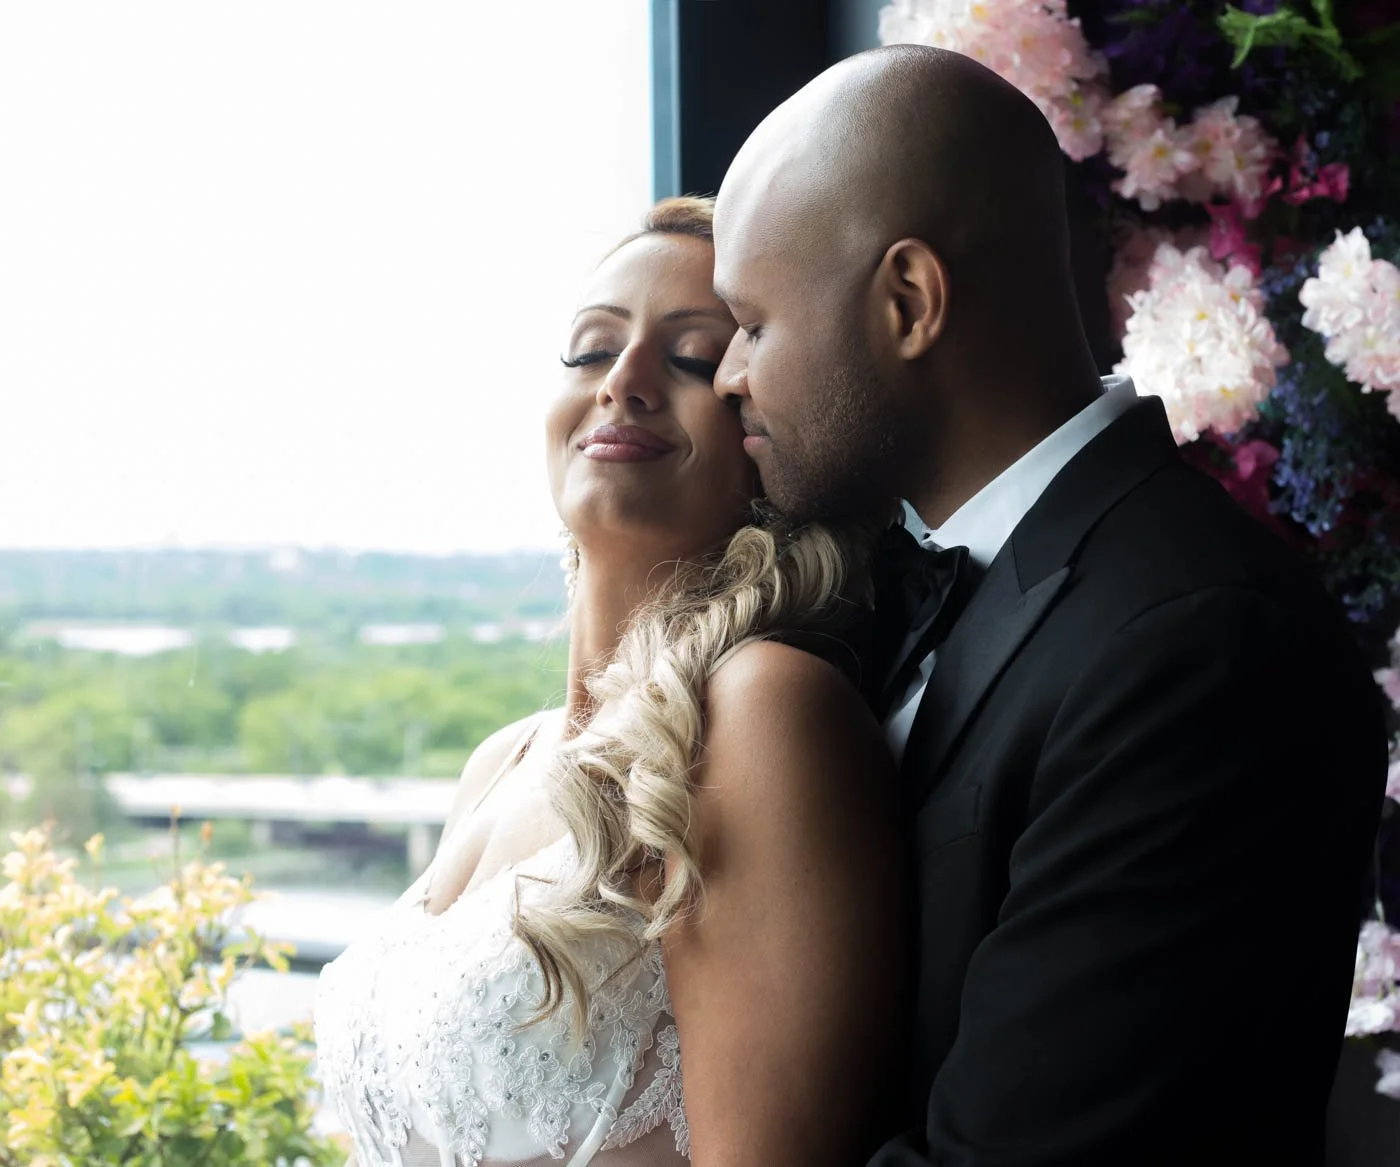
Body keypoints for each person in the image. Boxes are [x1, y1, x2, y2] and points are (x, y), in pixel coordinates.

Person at [710, 45, 1390, 1166]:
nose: (731, 374)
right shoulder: (880, 598)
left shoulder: (1198, 646)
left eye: (752, 323)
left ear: (907, 301)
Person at [312, 197, 904, 1167]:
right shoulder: (499, 761)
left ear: (761, 421)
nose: (622, 382)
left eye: (688, 359)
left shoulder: (755, 715)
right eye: (590, 350)